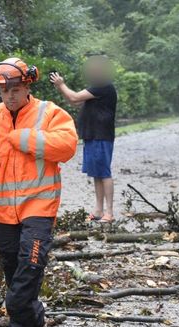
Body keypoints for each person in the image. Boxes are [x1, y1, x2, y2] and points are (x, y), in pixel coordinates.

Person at [0, 57, 77, 327]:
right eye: (4, 91)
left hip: (39, 206)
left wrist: (25, 139)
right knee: (13, 268)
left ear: (27, 86)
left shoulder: (49, 113)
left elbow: (67, 146)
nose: (9, 96)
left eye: (15, 89)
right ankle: (30, 323)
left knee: (31, 263)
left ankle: (15, 313)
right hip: (1, 212)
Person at [50, 55, 117, 223]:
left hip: (101, 136)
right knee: (97, 174)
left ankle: (109, 212)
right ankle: (98, 211)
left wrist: (60, 84)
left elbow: (73, 98)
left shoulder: (103, 87)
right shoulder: (97, 87)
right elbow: (75, 102)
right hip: (93, 136)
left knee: (104, 173)